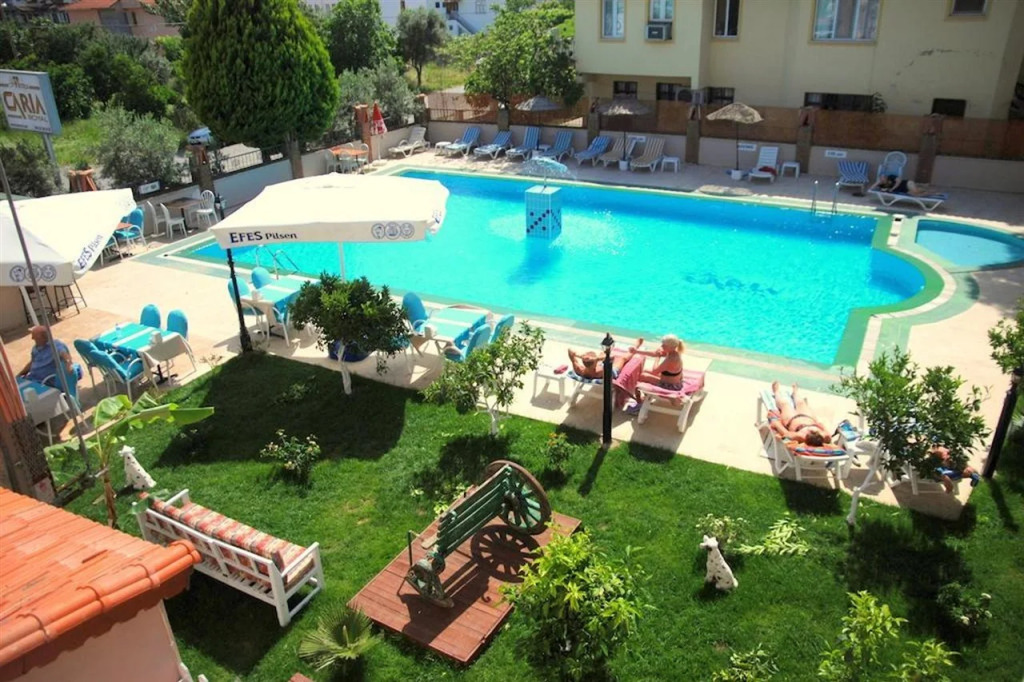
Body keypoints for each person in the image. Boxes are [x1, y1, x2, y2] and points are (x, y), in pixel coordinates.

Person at [768, 381, 833, 447]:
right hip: (808, 418)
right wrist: (819, 425)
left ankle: (776, 391)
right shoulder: (825, 436)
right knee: (801, 402)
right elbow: (824, 428)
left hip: (792, 419)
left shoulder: (801, 436)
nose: (811, 431)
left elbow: (786, 434)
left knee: (784, 404)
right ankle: (795, 392)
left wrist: (777, 424)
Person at [567, 343, 636, 380]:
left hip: (600, 366)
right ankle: (635, 348)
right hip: (611, 372)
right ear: (595, 363)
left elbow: (570, 350)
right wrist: (597, 358)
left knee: (602, 354)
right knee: (622, 359)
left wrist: (580, 356)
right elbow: (612, 358)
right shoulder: (599, 372)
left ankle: (609, 347)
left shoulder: (579, 369)